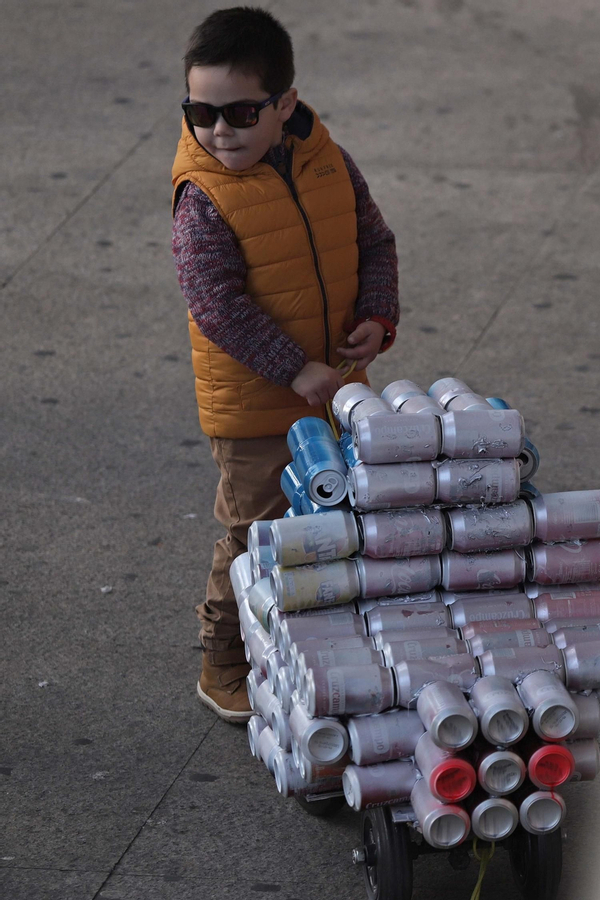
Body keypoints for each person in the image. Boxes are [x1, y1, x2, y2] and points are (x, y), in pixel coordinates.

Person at [171, 6, 399, 721]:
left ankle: (312, 643)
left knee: (336, 518)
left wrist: (376, 315)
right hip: (254, 409)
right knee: (253, 534)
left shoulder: (324, 155)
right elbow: (217, 305)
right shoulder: (202, 195)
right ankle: (223, 661)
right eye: (200, 112)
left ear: (285, 105)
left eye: (240, 112)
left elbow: (374, 240)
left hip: (334, 389)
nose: (218, 131)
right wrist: (294, 368)